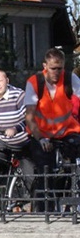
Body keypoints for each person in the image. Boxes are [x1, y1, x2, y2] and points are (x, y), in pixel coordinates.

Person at [25, 48, 80, 178]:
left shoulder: (70, 79)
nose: (56, 72)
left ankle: (72, 189)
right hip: (41, 134)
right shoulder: (34, 82)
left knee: (73, 164)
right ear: (45, 66)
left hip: (66, 132)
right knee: (44, 173)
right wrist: (41, 138)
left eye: (59, 68)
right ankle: (43, 195)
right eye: (52, 68)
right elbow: (29, 117)